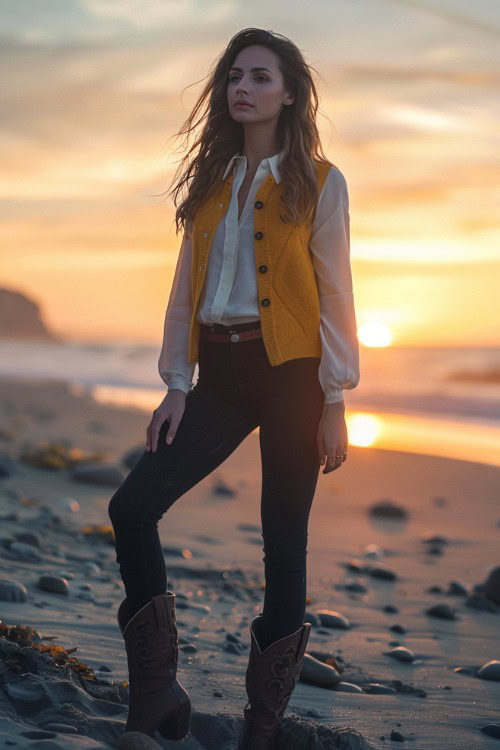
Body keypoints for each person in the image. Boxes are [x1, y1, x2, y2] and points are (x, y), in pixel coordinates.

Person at [107, 26, 360, 748]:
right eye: (234, 77)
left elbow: (337, 292)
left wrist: (335, 399)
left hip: (292, 380)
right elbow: (185, 291)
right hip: (217, 375)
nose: (241, 88)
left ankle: (263, 723)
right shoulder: (212, 183)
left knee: (284, 545)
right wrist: (175, 385)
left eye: (259, 77)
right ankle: (155, 689)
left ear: (289, 94)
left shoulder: (319, 180)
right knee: (133, 506)